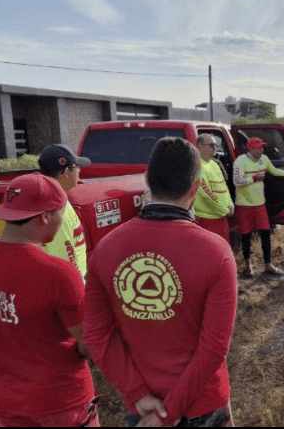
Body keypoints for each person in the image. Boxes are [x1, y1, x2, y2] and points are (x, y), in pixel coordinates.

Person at [84, 137, 237, 427]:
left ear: (147, 180)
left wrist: (137, 393)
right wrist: (169, 413)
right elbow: (214, 348)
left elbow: (96, 334)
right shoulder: (216, 252)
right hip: (202, 403)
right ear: (195, 187)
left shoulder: (106, 248)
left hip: (144, 406)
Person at [0, 173, 98, 426]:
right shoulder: (58, 272)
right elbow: (89, 341)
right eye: (61, 214)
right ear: (45, 216)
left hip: (6, 400)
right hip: (61, 400)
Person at [233, 136, 284, 277]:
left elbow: (274, 171)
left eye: (262, 147)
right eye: (259, 148)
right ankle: (248, 266)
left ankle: (268, 265)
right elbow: (237, 181)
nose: (262, 150)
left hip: (260, 205)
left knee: (266, 234)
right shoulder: (240, 161)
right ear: (251, 149)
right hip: (244, 206)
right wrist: (255, 178)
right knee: (246, 236)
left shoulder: (264, 159)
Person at [39, 144, 91, 278]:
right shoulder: (57, 208)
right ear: (66, 171)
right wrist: (78, 286)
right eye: (77, 167)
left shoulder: (54, 198)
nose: (79, 171)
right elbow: (66, 260)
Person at [194, 134, 234, 243]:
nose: (214, 148)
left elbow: (224, 188)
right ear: (200, 146)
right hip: (207, 220)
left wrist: (230, 205)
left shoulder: (215, 164)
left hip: (221, 218)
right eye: (211, 145)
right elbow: (206, 193)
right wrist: (224, 210)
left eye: (215, 145)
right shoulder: (197, 166)